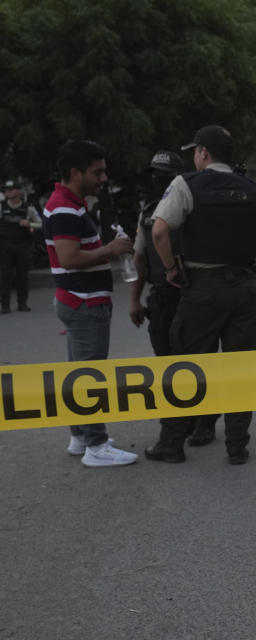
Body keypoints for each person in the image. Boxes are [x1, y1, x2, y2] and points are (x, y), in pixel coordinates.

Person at [145, 125, 256, 465]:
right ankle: (237, 446)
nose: (195, 157)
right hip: (244, 289)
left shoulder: (185, 185)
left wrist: (170, 268)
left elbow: (159, 230)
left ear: (204, 153)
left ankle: (173, 443)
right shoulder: (254, 190)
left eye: (195, 151)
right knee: (240, 367)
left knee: (187, 366)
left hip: (202, 289)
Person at [44, 140, 138, 467]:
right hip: (83, 303)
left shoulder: (72, 203)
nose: (103, 178)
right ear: (75, 172)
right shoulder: (66, 208)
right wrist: (110, 251)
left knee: (79, 372)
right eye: (97, 172)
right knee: (91, 376)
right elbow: (69, 257)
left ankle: (81, 435)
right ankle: (96, 446)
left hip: (79, 301)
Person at [130, 150, 220, 447]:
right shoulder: (147, 212)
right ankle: (176, 425)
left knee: (199, 362)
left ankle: (204, 422)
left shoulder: (193, 205)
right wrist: (134, 300)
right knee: (167, 365)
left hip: (192, 293)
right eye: (154, 173)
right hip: (161, 296)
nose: (158, 179)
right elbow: (139, 259)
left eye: (164, 175)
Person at [1, 180, 42, 313]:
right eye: (6, 189)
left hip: (23, 245)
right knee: (4, 276)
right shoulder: (2, 207)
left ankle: (22, 303)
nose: (7, 192)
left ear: (18, 191)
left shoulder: (27, 208)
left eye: (11, 189)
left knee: (22, 276)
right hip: (6, 246)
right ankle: (5, 305)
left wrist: (29, 224)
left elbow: (40, 223)